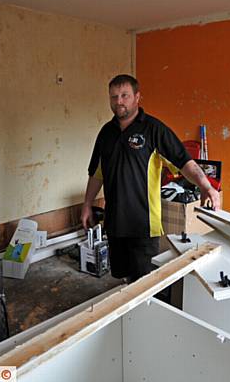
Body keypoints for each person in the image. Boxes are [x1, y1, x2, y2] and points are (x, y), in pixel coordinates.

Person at [81, 74, 221, 282]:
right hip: (115, 222)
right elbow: (97, 173)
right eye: (113, 97)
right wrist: (87, 204)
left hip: (143, 226)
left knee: (144, 284)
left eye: (124, 95)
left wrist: (205, 185)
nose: (118, 101)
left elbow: (184, 162)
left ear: (137, 97)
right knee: (124, 279)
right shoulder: (106, 133)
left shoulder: (154, 130)